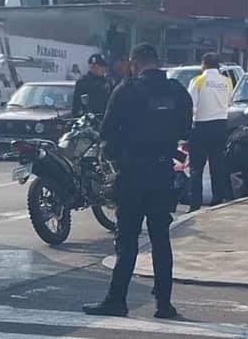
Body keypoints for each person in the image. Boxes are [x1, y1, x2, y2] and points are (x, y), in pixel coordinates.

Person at [83, 43, 192, 319]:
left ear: (134, 62)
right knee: (160, 238)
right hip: (162, 173)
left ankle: (116, 299)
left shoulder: (127, 90)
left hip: (132, 174)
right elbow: (185, 130)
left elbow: (106, 132)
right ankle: (164, 304)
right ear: (157, 61)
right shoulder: (177, 91)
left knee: (127, 239)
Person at [187, 52, 233, 212]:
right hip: (221, 126)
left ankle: (195, 203)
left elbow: (190, 106)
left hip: (201, 127)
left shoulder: (198, 81)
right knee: (217, 165)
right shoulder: (227, 81)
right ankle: (218, 199)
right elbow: (229, 101)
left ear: (204, 64)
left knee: (196, 168)